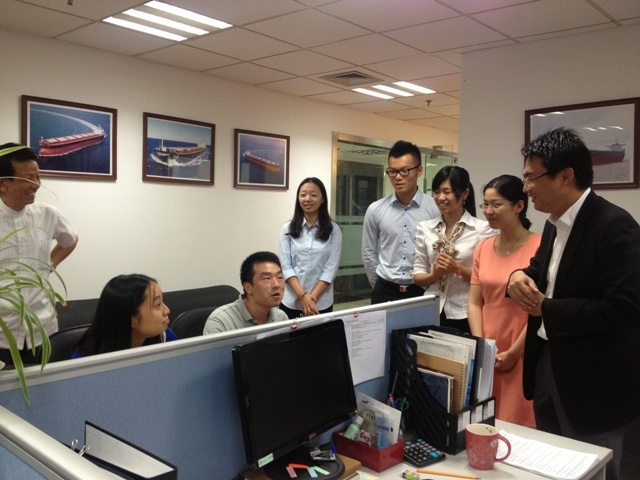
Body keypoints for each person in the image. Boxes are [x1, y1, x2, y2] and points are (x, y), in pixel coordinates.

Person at [506, 127, 640, 480]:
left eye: (531, 177)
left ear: (565, 176)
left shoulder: (615, 226)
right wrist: (518, 275)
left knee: (593, 469)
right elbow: (542, 271)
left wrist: (546, 309)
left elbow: (625, 310)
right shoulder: (554, 224)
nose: (525, 188)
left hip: (594, 379)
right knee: (551, 465)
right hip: (548, 363)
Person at [468, 175, 540, 427]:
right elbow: (475, 302)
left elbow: (539, 310)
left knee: (518, 425)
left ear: (519, 206)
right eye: (485, 204)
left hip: (522, 350)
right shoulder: (483, 247)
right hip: (488, 349)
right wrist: (481, 345)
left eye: (496, 204)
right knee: (484, 423)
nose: (488, 211)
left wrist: (514, 353)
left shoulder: (540, 246)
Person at [0, 143, 78, 367]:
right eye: (27, 179)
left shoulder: (47, 214)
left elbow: (70, 240)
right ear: (3, 183)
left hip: (43, 330)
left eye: (38, 176)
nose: (36, 184)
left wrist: (47, 267)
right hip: (2, 335)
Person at [412, 166, 495, 334]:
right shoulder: (425, 228)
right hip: (432, 308)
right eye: (436, 192)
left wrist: (458, 268)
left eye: (447, 192)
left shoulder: (482, 229)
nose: (440, 197)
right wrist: (435, 274)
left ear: (464, 194)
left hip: (465, 311)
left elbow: (487, 280)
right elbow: (417, 276)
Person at [362, 140, 439, 304]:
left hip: (421, 290)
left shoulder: (435, 209)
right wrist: (379, 286)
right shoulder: (375, 210)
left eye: (404, 171)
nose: (397, 177)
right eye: (392, 171)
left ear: (419, 171)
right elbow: (368, 253)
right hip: (385, 290)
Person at [279, 177, 342, 318]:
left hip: (320, 302)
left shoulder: (334, 230)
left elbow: (331, 268)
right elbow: (286, 266)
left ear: (322, 199)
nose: (307, 199)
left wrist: (311, 298)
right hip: (291, 301)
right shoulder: (287, 229)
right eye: (303, 195)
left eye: (313, 195)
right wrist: (303, 296)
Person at [72, 274, 176, 358]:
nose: (167, 310)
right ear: (130, 319)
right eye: (157, 304)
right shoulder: (86, 361)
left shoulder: (166, 337)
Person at [203, 251, 288, 334]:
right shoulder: (221, 322)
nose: (276, 285)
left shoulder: (280, 318)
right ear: (248, 288)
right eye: (267, 278)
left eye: (280, 277)